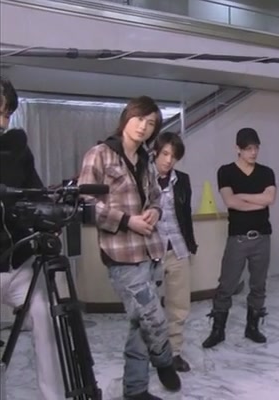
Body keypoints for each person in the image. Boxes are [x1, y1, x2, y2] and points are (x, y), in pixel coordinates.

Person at [77, 96, 181, 400]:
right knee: (153, 317)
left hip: (151, 250)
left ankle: (135, 390)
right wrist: (126, 221)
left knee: (139, 322)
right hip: (122, 254)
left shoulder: (147, 159)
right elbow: (84, 203)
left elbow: (156, 197)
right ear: (126, 118)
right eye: (139, 119)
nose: (143, 127)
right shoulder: (100, 154)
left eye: (151, 123)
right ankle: (164, 360)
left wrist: (155, 212)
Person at [0, 77, 66, 400]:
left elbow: (37, 194)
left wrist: (53, 215)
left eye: (7, 114)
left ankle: (53, 395)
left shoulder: (17, 148)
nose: (3, 122)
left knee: (46, 316)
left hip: (17, 262)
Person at [202, 127, 275, 348]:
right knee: (227, 284)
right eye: (248, 148)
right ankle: (218, 330)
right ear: (238, 148)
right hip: (238, 238)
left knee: (259, 285)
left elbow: (269, 199)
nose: (253, 152)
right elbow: (230, 202)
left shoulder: (266, 172)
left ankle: (252, 327)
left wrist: (242, 196)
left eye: (256, 148)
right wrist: (255, 200)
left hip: (262, 237)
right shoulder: (226, 171)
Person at [151, 131, 197, 372]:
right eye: (165, 154)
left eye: (174, 156)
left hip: (178, 248)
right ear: (155, 153)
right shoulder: (142, 178)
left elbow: (185, 216)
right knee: (148, 308)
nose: (169, 160)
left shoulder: (183, 180)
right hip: (150, 251)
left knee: (179, 306)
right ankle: (151, 352)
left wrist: (191, 245)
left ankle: (175, 352)